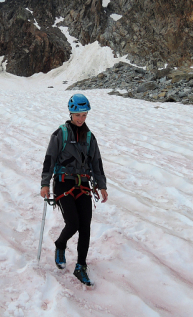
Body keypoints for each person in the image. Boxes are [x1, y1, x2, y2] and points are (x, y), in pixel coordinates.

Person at [40, 93, 108, 286]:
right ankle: (60, 245)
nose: (81, 119)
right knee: (73, 223)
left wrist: (101, 185)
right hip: (63, 182)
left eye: (84, 115)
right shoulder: (60, 134)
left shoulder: (89, 137)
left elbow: (96, 162)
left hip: (83, 184)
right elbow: (49, 160)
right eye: (78, 115)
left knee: (85, 225)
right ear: (71, 113)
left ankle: (81, 266)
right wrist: (45, 184)